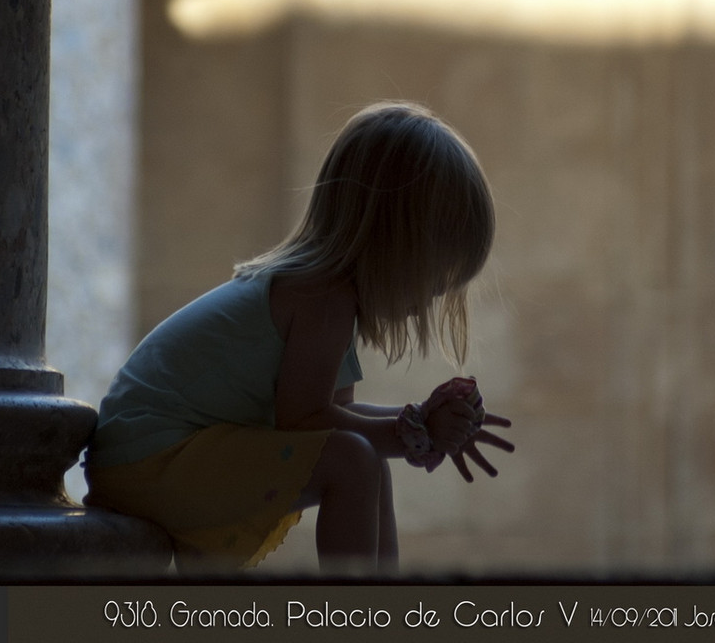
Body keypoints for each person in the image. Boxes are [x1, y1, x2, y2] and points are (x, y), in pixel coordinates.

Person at [83, 101, 514, 573]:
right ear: (392, 243)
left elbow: (336, 418)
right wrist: (418, 429)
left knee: (366, 458)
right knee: (354, 460)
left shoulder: (324, 300)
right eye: (434, 276)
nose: (432, 297)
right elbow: (307, 421)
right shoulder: (322, 297)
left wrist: (419, 422)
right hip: (149, 456)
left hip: (147, 454)